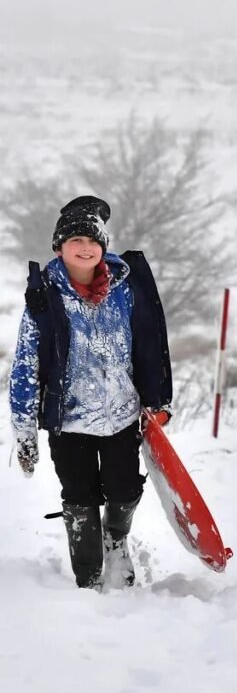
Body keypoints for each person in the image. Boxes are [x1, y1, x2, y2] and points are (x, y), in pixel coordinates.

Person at [9, 195, 172, 590]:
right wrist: (25, 432)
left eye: (93, 242)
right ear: (59, 247)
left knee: (125, 489)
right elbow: (25, 368)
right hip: (69, 421)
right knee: (79, 495)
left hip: (120, 415)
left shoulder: (125, 289)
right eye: (75, 241)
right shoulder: (44, 299)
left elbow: (148, 346)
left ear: (103, 247)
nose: (85, 248)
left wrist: (158, 402)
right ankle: (88, 570)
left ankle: (116, 543)